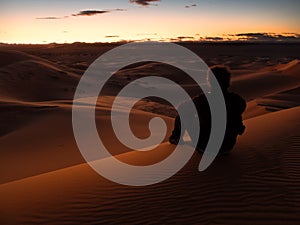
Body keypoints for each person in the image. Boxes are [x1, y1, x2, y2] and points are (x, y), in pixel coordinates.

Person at [169, 66, 246, 154]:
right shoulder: (237, 99)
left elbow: (182, 108)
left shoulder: (203, 99)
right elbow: (242, 108)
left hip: (205, 148)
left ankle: (176, 138)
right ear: (228, 82)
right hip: (227, 147)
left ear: (210, 82)